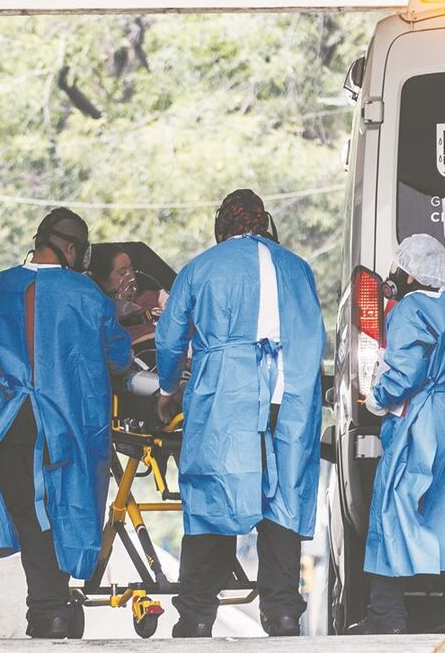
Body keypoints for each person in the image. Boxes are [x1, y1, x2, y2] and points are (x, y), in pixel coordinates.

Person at [155, 189, 326, 638]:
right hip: (288, 400)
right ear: (265, 223)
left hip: (225, 396)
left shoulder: (202, 268)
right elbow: (315, 338)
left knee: (214, 496)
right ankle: (283, 612)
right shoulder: (298, 268)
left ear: (222, 224)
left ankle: (195, 615)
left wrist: (169, 387)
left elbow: (170, 339)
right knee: (281, 501)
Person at [0, 208, 132, 639]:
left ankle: (47, 607)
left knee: (28, 508)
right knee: (65, 509)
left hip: (12, 418)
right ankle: (51, 605)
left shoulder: (1, 285)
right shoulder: (87, 293)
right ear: (73, 249)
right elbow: (117, 357)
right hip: (68, 422)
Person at [347, 234, 445, 636]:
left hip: (420, 418)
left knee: (393, 508)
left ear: (407, 273)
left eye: (396, 271)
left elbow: (406, 371)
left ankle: (387, 617)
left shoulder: (407, 310)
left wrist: (376, 400)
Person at [86, 243, 165, 343]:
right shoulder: (100, 325)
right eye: (122, 273)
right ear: (102, 281)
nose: (131, 277)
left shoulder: (150, 299)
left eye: (132, 269)